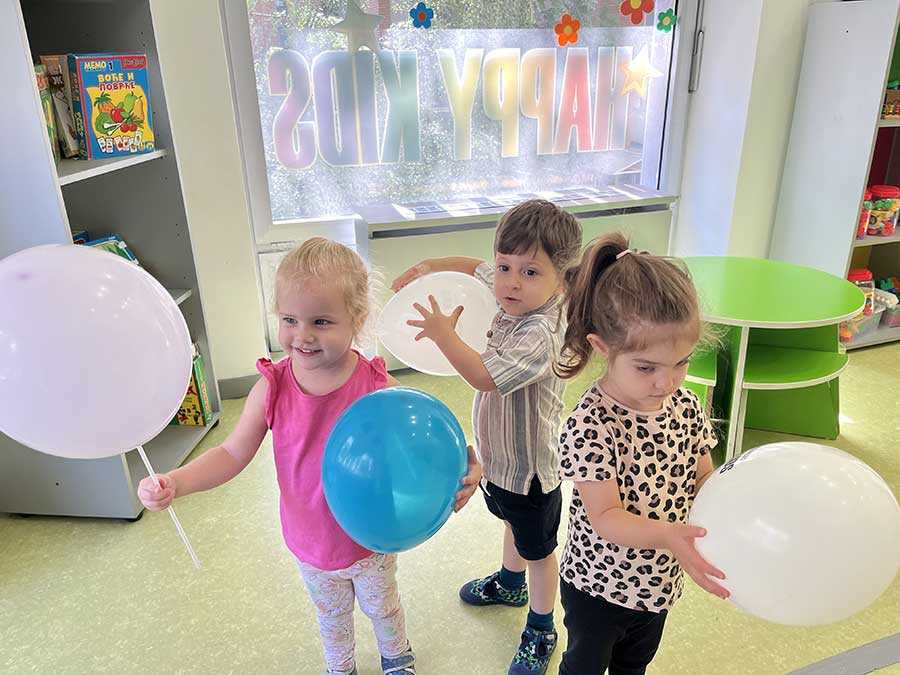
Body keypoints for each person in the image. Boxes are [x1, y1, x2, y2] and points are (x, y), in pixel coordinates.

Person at [138, 237, 481, 675]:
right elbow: (230, 452)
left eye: (321, 321)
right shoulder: (272, 387)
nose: (302, 335)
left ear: (357, 320)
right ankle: (341, 667)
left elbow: (424, 442)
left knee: (383, 606)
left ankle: (397, 657)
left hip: (370, 541)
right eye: (290, 319)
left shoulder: (375, 386)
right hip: (311, 541)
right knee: (331, 618)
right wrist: (177, 481)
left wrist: (465, 467)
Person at [391, 199, 582, 675]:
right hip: (499, 462)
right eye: (505, 266)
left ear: (561, 278)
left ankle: (541, 627)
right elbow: (474, 267)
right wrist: (433, 265)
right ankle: (510, 585)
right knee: (511, 525)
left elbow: (483, 376)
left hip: (531, 470)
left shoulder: (540, 332)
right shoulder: (510, 291)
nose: (510, 282)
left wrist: (443, 334)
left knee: (539, 550)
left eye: (530, 272)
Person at [554, 233, 729, 675]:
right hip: (599, 586)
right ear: (602, 347)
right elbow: (606, 516)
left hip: (659, 583)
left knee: (635, 665)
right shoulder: (592, 423)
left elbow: (705, 479)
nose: (665, 382)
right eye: (646, 367)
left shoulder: (685, 405)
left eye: (682, 362)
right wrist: (669, 535)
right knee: (584, 667)